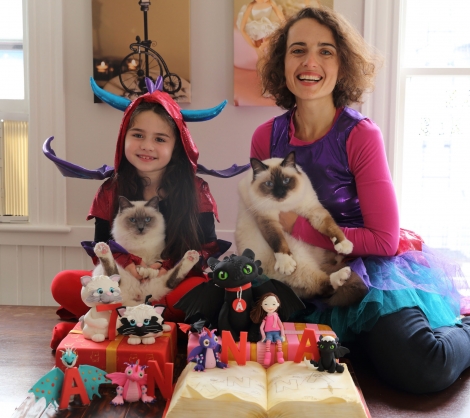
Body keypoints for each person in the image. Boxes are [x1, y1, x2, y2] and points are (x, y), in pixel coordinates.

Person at [251, 6, 470, 394]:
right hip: (302, 276)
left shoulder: (360, 135)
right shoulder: (265, 138)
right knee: (242, 334)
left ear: (343, 63)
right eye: (297, 50)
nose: (310, 62)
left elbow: (384, 241)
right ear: (282, 63)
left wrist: (302, 227)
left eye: (326, 51)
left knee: (423, 366)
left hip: (369, 272)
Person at [51, 88, 226, 344]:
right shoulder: (111, 190)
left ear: (177, 145)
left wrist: (162, 267)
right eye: (138, 135)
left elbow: (206, 249)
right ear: (124, 137)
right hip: (123, 281)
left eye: (160, 139)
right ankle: (150, 323)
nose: (147, 146)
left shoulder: (196, 190)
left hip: (170, 282)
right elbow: (101, 247)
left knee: (202, 293)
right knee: (63, 283)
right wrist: (128, 264)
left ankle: (112, 320)